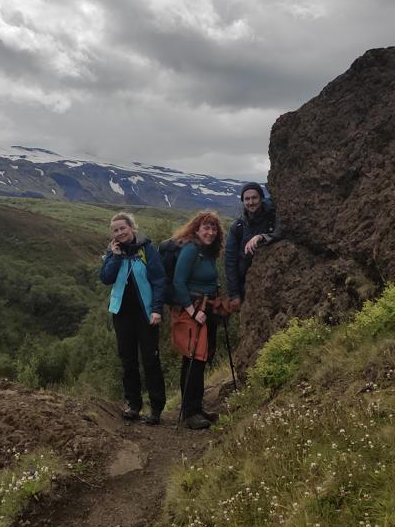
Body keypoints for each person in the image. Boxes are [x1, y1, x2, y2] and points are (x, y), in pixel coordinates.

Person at [100, 212, 167, 425]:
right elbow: (106, 278)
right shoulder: (113, 252)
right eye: (115, 230)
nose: (120, 233)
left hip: (146, 313)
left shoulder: (147, 249)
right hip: (121, 313)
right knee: (128, 361)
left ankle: (156, 408)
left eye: (123, 228)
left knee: (150, 360)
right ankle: (133, 405)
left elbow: (159, 280)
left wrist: (157, 309)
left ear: (132, 228)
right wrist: (116, 256)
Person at [170, 211, 224, 430]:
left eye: (214, 229)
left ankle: (196, 407)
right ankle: (190, 412)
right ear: (196, 229)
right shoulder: (191, 249)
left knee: (200, 358)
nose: (210, 233)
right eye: (206, 228)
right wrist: (193, 311)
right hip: (193, 309)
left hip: (207, 307)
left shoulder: (207, 252)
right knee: (193, 357)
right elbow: (178, 282)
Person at [224, 182, 282, 311]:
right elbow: (230, 261)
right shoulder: (238, 227)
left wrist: (262, 237)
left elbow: (282, 230)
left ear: (261, 198)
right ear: (243, 201)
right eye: (247, 199)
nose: (251, 202)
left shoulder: (273, 216)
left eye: (254, 198)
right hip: (248, 285)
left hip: (274, 281)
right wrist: (234, 294)